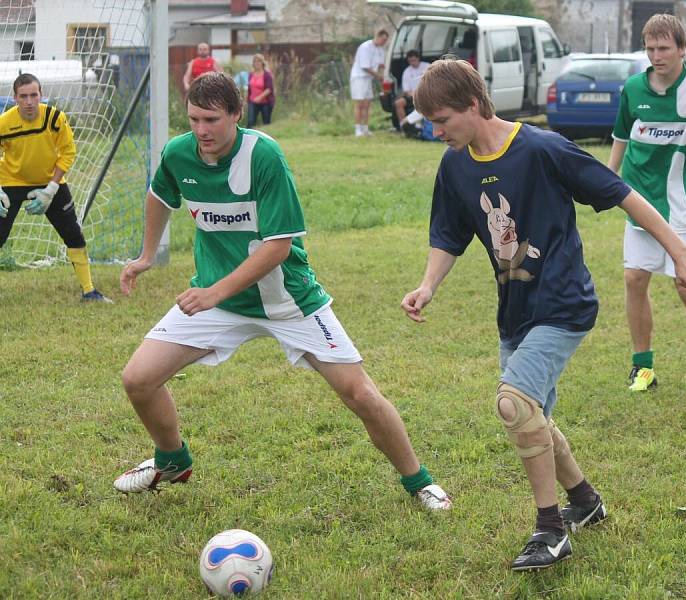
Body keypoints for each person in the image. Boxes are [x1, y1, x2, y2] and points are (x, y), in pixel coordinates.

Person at [401, 59, 686, 569]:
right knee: (534, 418)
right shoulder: (455, 164)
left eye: (442, 120)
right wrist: (427, 285)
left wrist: (681, 255)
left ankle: (550, 530)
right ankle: (586, 502)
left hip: (564, 303)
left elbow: (626, 196)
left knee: (514, 405)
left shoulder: (544, 149)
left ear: (474, 105)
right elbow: (449, 233)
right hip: (516, 310)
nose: (436, 132)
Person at [113, 72, 451, 513]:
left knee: (359, 394)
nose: (201, 130)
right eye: (194, 119)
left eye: (212, 120)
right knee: (137, 379)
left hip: (289, 302)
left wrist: (214, 293)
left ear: (237, 115)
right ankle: (172, 460)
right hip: (218, 299)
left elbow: (277, 248)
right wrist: (147, 254)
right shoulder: (179, 154)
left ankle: (419, 481)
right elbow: (160, 195)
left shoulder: (265, 157)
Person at [607, 14, 686, 392]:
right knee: (634, 278)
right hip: (639, 203)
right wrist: (608, 178)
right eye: (650, 48)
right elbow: (621, 137)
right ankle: (642, 367)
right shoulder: (632, 89)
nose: (656, 56)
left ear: (682, 49)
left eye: (664, 48)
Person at [0, 73, 110, 302]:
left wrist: (51, 189)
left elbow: (68, 152)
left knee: (73, 234)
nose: (29, 101)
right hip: (12, 182)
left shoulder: (54, 118)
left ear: (41, 95)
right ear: (15, 98)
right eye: (23, 96)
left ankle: (89, 291)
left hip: (51, 182)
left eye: (34, 95)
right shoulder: (4, 123)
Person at [350, 29, 389, 137]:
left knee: (367, 104)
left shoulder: (381, 49)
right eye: (383, 39)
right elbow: (365, 67)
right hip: (359, 78)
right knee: (360, 104)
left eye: (386, 40)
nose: (384, 42)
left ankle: (365, 128)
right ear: (377, 36)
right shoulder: (365, 47)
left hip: (369, 79)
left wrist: (383, 74)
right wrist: (379, 76)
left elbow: (381, 65)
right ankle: (358, 129)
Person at [395, 50, 430, 127]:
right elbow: (406, 90)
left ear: (418, 58)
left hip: (428, 94)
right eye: (410, 61)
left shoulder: (427, 66)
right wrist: (415, 96)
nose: (412, 63)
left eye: (414, 60)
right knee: (398, 103)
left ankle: (418, 125)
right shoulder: (407, 71)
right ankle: (403, 125)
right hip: (412, 95)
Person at [246, 53, 275, 128]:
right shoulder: (251, 74)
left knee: (266, 122)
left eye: (259, 61)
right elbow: (249, 88)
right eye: (255, 61)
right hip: (252, 101)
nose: (257, 63)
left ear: (262, 63)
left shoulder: (267, 75)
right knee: (250, 121)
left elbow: (269, 89)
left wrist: (260, 98)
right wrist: (247, 100)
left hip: (265, 102)